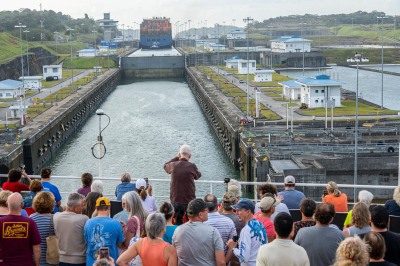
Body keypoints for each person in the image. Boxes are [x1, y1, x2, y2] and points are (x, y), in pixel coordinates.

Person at [172, 198, 225, 266]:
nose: (208, 211)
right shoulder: (213, 232)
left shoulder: (177, 231)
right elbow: (221, 262)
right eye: (206, 210)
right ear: (200, 214)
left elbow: (174, 256)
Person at [0, 192, 41, 266]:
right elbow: (36, 249)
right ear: (22, 204)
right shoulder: (30, 222)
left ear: (7, 204)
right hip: (26, 263)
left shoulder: (1, 222)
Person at [164, 144, 201, 223]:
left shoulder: (173, 165)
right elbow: (198, 176)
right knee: (190, 222)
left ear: (179, 154)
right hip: (189, 200)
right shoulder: (192, 166)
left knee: (176, 221)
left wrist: (177, 157)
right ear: (190, 155)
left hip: (175, 199)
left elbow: (165, 166)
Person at [84, 197, 125, 266]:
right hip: (110, 262)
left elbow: (86, 242)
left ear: (96, 208)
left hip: (91, 262)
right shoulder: (116, 223)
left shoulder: (88, 222)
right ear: (109, 208)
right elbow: (120, 244)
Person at [226, 199, 267, 266]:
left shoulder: (246, 230)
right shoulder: (260, 225)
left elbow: (244, 258)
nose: (236, 213)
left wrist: (232, 248)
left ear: (248, 212)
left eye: (239, 210)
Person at [54, 192, 88, 266]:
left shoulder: (56, 217)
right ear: (75, 207)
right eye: (82, 206)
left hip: (61, 259)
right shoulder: (84, 219)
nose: (83, 208)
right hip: (79, 260)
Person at [30, 191, 57, 266]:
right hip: (52, 260)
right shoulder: (56, 219)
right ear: (52, 204)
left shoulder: (31, 219)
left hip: (35, 260)